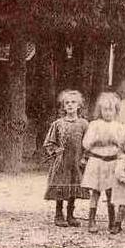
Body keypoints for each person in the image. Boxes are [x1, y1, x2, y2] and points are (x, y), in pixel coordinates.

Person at [81, 92, 125, 234]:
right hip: (97, 161)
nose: (108, 113)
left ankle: (112, 220)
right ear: (100, 110)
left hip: (112, 162)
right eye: (105, 110)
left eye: (111, 110)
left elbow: (124, 145)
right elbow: (86, 143)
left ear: (116, 111)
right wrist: (96, 140)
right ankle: (91, 220)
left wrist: (116, 140)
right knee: (95, 192)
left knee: (111, 193)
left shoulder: (119, 126)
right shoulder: (95, 124)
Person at [42, 89, 89, 227]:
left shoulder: (84, 124)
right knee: (60, 186)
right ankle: (58, 214)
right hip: (62, 162)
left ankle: (70, 214)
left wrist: (85, 157)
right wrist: (56, 150)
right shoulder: (57, 124)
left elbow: (89, 143)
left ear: (79, 105)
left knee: (74, 184)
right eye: (66, 102)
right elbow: (49, 143)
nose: (70, 105)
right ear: (63, 106)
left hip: (76, 161)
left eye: (73, 102)